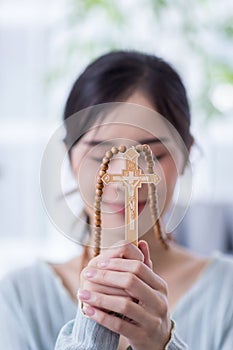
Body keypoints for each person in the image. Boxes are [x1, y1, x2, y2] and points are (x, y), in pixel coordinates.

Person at [0, 51, 233, 350]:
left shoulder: (226, 293)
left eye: (152, 155)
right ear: (70, 157)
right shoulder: (19, 297)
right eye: (101, 154)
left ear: (186, 154)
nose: (125, 179)